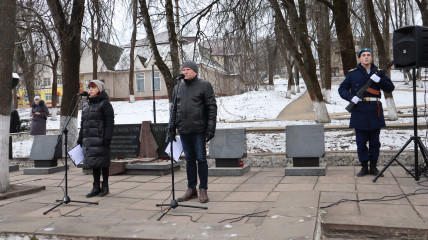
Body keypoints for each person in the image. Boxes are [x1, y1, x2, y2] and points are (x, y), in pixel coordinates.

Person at [338, 48, 395, 177]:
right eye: (363, 55)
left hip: (375, 110)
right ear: (359, 59)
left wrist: (379, 80)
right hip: (359, 111)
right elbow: (342, 89)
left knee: (375, 142)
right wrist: (351, 97)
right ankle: (364, 167)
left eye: (368, 55)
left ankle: (374, 167)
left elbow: (390, 88)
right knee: (361, 141)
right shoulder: (353, 74)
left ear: (372, 58)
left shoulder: (379, 72)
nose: (366, 57)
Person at [171, 61, 217, 203]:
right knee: (189, 160)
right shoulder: (178, 87)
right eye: (183, 69)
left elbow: (211, 108)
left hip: (199, 130)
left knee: (201, 159)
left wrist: (210, 128)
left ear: (195, 71)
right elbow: (174, 109)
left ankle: (203, 189)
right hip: (184, 130)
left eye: (188, 69)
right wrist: (172, 127)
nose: (185, 72)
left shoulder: (204, 85)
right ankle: (191, 189)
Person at [77, 80, 115, 197]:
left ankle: (105, 187)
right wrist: (80, 137)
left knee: (103, 163)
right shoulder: (86, 104)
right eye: (89, 87)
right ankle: (96, 187)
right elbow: (83, 122)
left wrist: (107, 136)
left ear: (100, 89)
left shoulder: (105, 103)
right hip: (89, 139)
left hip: (101, 138)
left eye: (93, 87)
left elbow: (110, 121)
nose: (90, 90)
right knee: (94, 163)